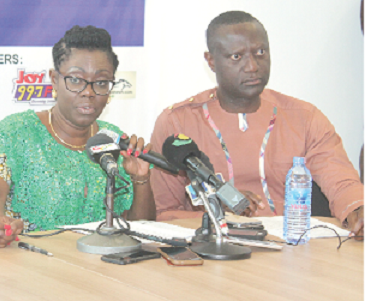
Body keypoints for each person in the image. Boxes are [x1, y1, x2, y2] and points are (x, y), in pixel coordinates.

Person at [151, 11, 364, 238]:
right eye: (236, 57)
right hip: (211, 253)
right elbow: (165, 214)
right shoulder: (178, 122)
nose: (252, 66)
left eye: (260, 52)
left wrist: (357, 209)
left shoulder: (304, 118)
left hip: (290, 252)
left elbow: (341, 182)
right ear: (211, 61)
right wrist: (217, 210)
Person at [0, 25, 155, 248]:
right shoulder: (14, 132)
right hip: (17, 259)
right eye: (76, 80)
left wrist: (141, 178)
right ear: (54, 80)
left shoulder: (111, 141)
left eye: (101, 82)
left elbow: (140, 229)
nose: (88, 92)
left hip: (91, 266)